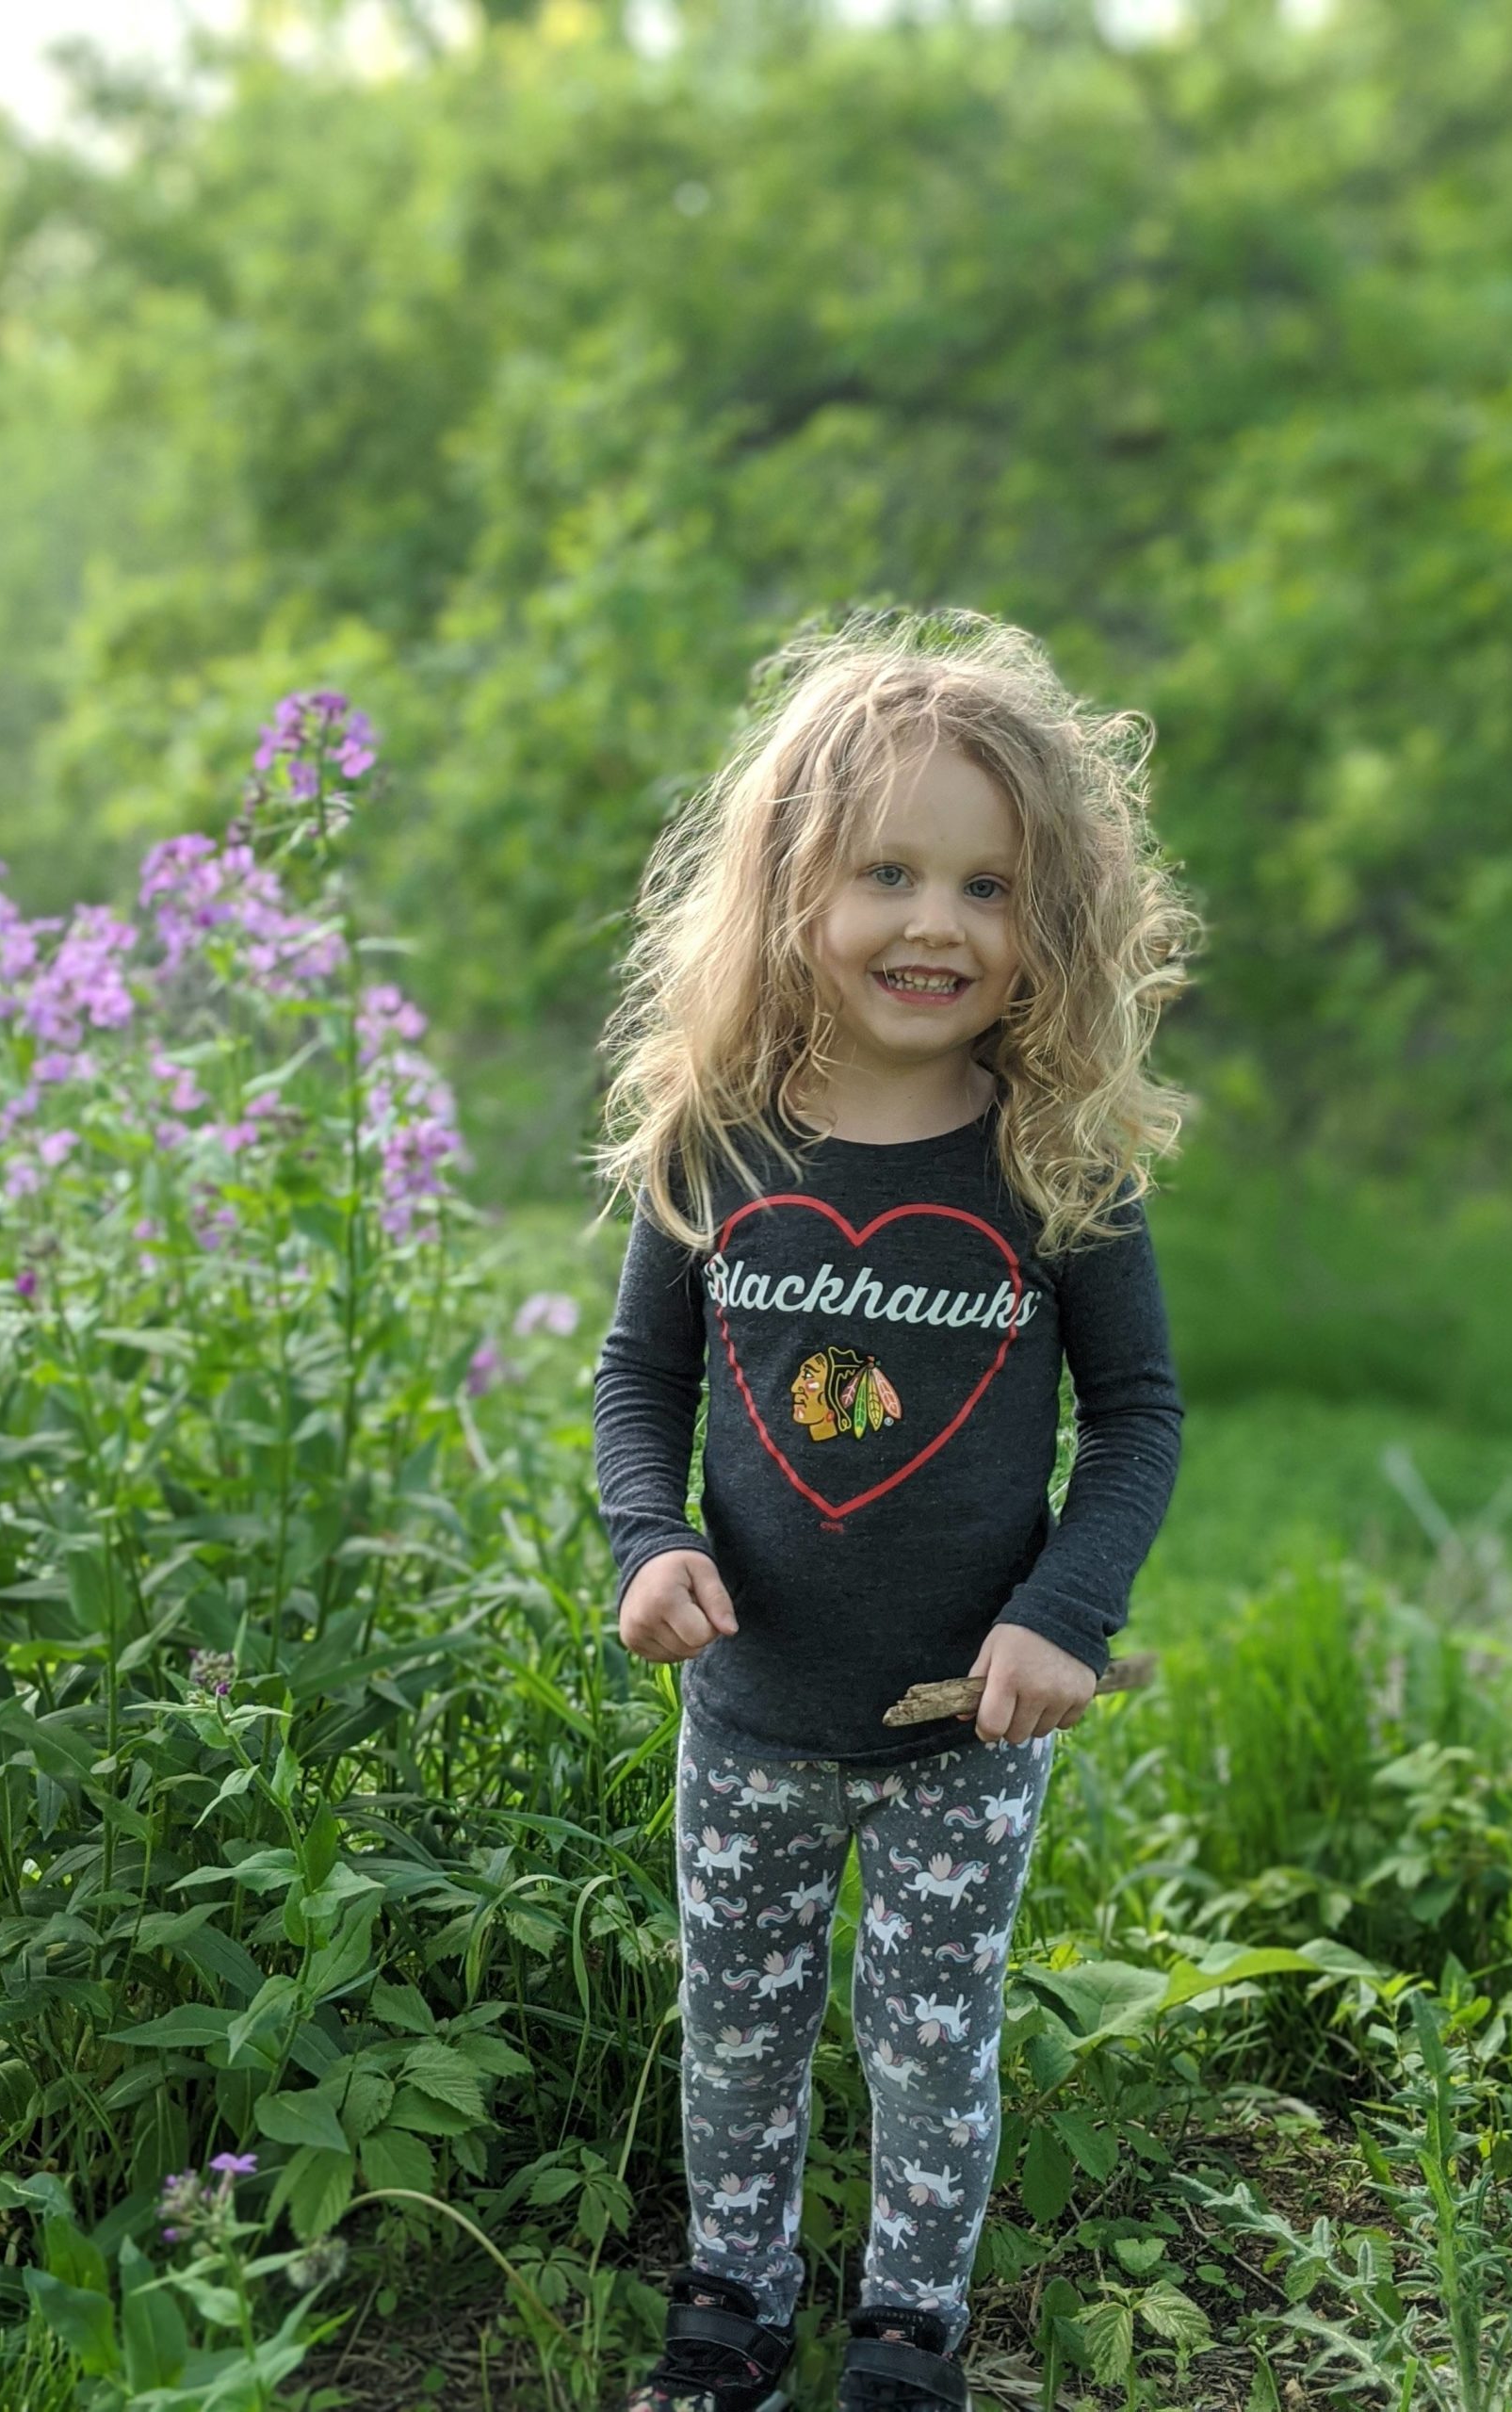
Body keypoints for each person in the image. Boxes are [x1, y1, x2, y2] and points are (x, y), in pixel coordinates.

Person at [587, 608, 1197, 2412]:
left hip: (964, 1726)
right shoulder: (716, 1139)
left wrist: (1063, 1611)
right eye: (889, 873)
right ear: (791, 888)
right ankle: (729, 2312)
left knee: (933, 2038)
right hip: (754, 1706)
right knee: (743, 2026)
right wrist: (652, 1542)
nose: (938, 922)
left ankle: (909, 2335)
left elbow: (1139, 1419)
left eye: (990, 888)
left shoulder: (1051, 1162)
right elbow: (642, 1384)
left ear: (1051, 922)